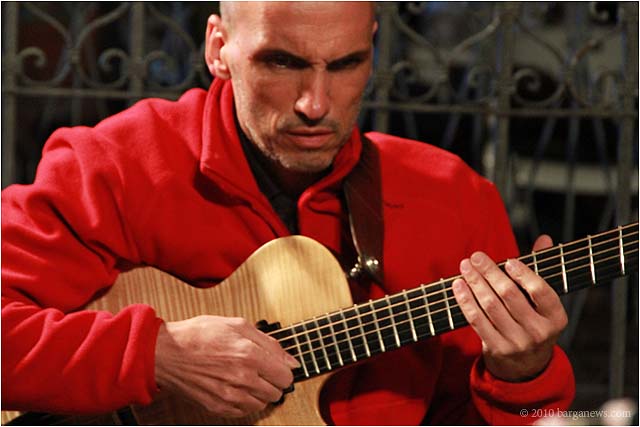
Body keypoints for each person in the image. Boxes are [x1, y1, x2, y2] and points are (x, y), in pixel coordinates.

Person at [2, 2, 575, 425]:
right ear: (218, 48)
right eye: (281, 62)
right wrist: (156, 356)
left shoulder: (455, 199)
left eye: (346, 64)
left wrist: (522, 375)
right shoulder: (119, 165)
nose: (315, 104)